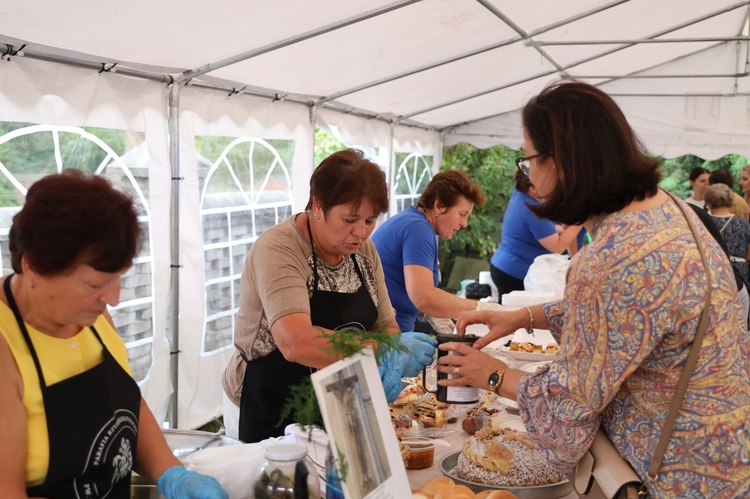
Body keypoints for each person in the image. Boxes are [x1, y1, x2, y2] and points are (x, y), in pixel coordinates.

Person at [440, 81, 750, 497]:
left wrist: (490, 374)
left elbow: (568, 409)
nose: (527, 174)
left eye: (529, 159)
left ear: (562, 160)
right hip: (727, 459)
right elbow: (629, 317)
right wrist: (522, 317)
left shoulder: (609, 257)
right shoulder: (672, 209)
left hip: (674, 478)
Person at [0, 170, 228, 498]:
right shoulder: (6, 346)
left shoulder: (90, 313)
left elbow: (123, 407)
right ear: (34, 266)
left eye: (117, 278)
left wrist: (171, 473)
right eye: (95, 284)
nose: (114, 298)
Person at [222, 148, 436, 443]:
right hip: (269, 402)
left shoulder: (364, 252)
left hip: (338, 398)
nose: (360, 233)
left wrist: (390, 358)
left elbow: (387, 326)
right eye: (349, 220)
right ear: (318, 206)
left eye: (370, 221)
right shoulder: (280, 248)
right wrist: (382, 351)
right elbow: (294, 341)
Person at [370, 170, 487, 332]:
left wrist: (437, 311)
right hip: (386, 336)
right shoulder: (418, 228)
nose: (464, 223)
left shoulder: (411, 221)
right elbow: (424, 297)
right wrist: (481, 309)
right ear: (439, 206)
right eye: (462, 214)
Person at [489, 169, 584, 297]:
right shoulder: (532, 210)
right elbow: (557, 246)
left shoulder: (520, 192)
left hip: (502, 265)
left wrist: (563, 229)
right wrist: (581, 220)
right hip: (515, 272)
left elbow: (529, 228)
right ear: (533, 189)